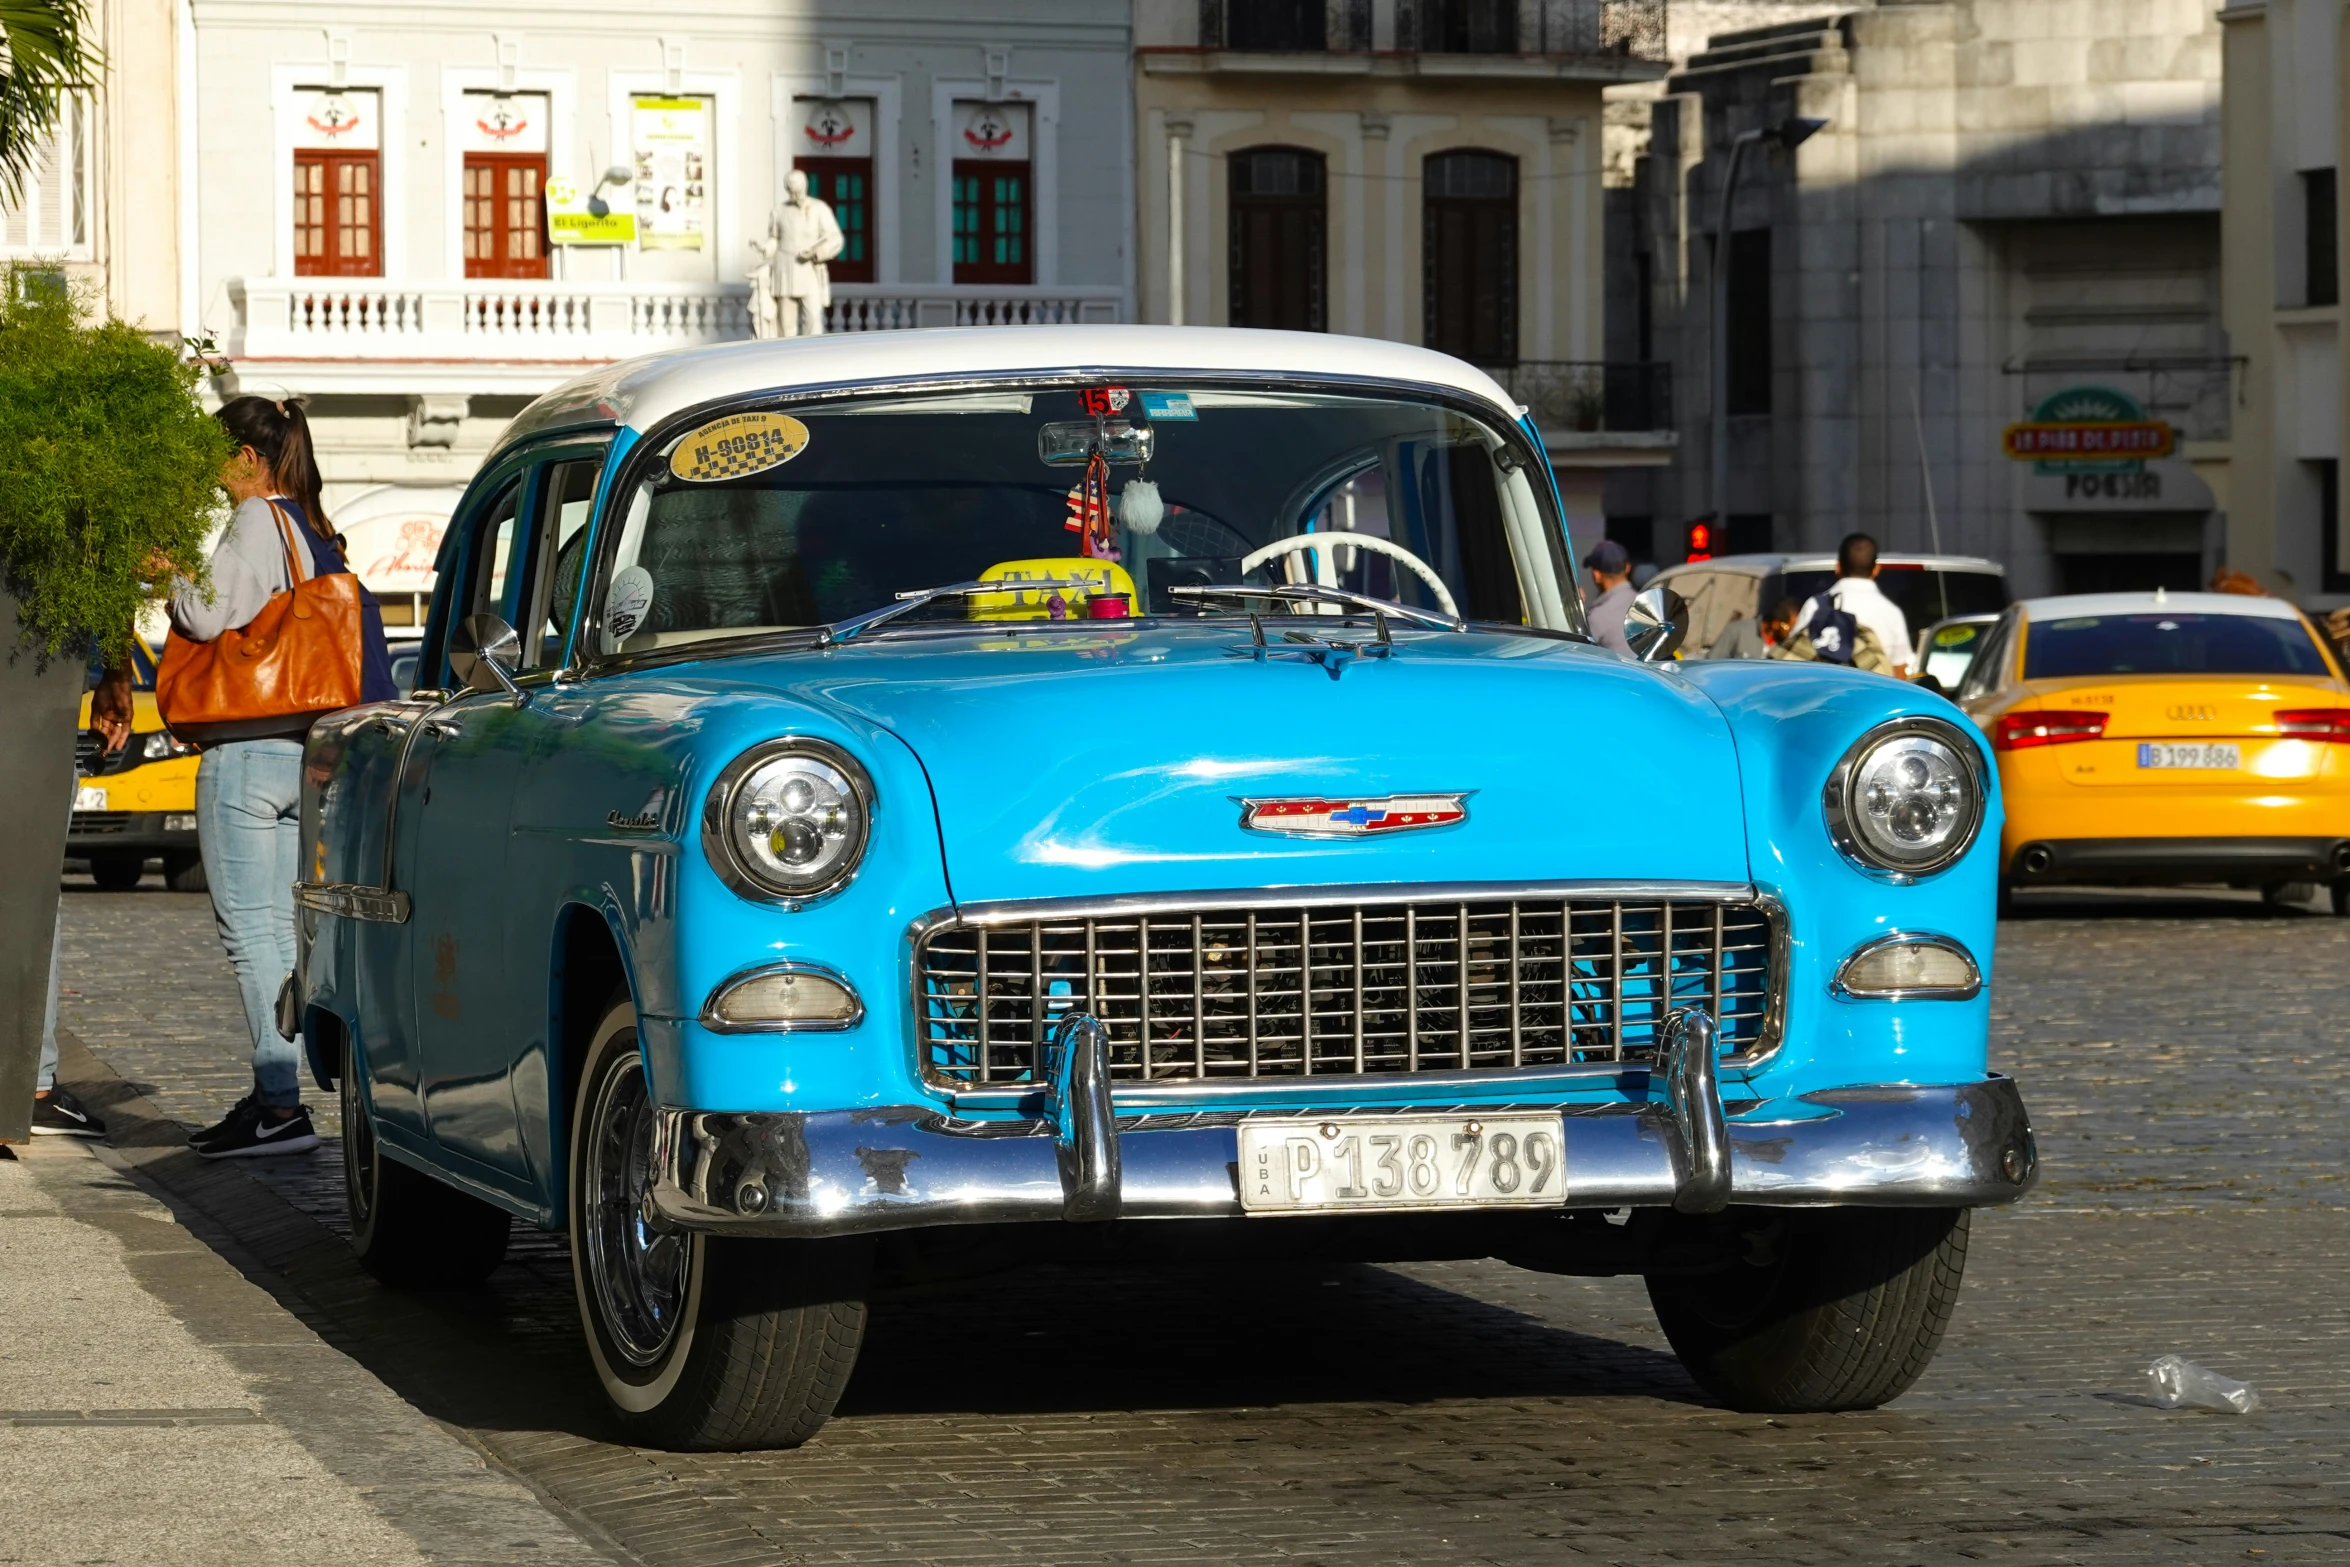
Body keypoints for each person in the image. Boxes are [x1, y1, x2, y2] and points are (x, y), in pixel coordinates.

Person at [169, 397, 393, 1158]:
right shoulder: (308, 524)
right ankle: (278, 1096)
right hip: (307, 751)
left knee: (248, 932)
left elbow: (205, 615)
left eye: (217, 455)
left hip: (247, 748)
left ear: (250, 458)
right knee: (284, 928)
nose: (212, 472)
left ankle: (277, 1102)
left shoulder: (258, 518)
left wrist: (172, 573)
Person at [25, 659, 131, 1137]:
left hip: (43, 699)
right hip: (42, 703)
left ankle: (33, 1085)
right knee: (34, 898)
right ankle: (34, 1089)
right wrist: (116, 675)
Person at [1793, 532, 1914, 678]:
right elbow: (1899, 671)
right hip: (1873, 696)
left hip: (1824, 694)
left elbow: (1796, 659)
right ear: (1876, 569)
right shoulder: (1892, 613)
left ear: (1838, 566)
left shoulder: (1815, 606)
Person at [753, 169, 844, 339]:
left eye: (799, 190)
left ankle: (814, 355)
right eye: (792, 191)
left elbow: (835, 238)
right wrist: (764, 246)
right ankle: (786, 357)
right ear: (787, 189)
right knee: (786, 324)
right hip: (785, 269)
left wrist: (817, 252)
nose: (797, 195)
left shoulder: (819, 208)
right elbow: (775, 239)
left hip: (809, 269)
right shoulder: (779, 210)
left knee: (814, 318)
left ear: (805, 186)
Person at [1583, 538, 1637, 655]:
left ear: (1596, 575)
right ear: (1627, 568)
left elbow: (1575, 654)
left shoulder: (1597, 616)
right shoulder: (1646, 604)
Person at [1708, 596, 1801, 660]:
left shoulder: (1787, 646)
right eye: (1790, 627)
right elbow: (1712, 662)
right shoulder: (1738, 630)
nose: (1793, 632)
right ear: (1775, 624)